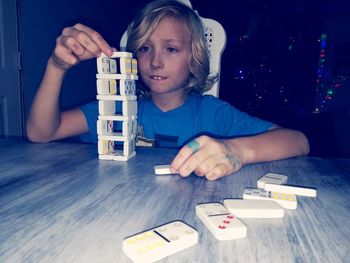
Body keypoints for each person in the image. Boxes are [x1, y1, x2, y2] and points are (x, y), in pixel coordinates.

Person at [27, 0, 310, 181]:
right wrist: (57, 65)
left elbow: (298, 141)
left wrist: (236, 151)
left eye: (171, 49)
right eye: (145, 48)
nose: (156, 61)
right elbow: (42, 133)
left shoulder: (212, 114)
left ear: (194, 57)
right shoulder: (116, 109)